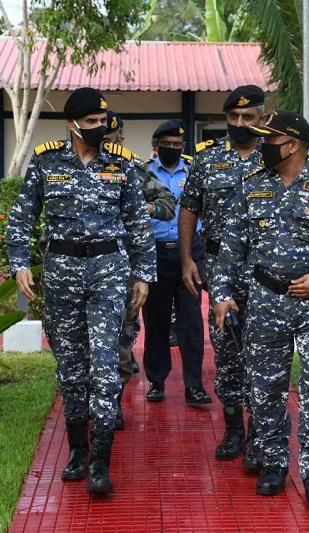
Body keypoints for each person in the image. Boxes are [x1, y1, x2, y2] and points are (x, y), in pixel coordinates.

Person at [6, 88, 156, 496]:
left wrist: (143, 274)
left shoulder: (120, 166)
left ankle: (101, 465)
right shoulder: (46, 162)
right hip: (61, 273)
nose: (99, 129)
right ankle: (78, 451)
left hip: (108, 271)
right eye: (90, 123)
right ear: (72, 124)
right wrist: (20, 263)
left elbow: (138, 224)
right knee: (71, 368)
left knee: (104, 366)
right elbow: (21, 220)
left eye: (102, 122)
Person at [211, 111, 309, 507]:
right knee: (265, 390)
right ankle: (274, 462)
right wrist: (223, 293)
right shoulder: (252, 188)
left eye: (269, 138)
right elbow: (231, 249)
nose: (262, 145)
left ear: (291, 144)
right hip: (265, 302)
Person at [179, 85, 266, 469]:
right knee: (228, 348)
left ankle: (263, 432)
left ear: (262, 117)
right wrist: (187, 259)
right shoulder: (207, 159)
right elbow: (189, 209)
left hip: (267, 268)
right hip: (220, 268)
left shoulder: (278, 156)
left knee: (265, 349)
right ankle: (234, 430)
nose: (240, 123)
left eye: (248, 117)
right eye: (233, 117)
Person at [105, 110, 177, 429]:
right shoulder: (67, 167)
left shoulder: (130, 167)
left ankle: (113, 403)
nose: (108, 143)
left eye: (113, 138)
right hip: (81, 269)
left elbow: (167, 203)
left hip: (124, 269)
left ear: (120, 138)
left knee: (121, 336)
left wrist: (140, 206)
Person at [141, 119, 211, 406]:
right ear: (155, 147)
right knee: (155, 320)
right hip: (154, 251)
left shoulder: (194, 170)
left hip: (189, 252)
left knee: (191, 321)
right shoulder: (143, 172)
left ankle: (194, 385)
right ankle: (157, 381)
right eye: (166, 145)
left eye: (177, 145)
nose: (172, 149)